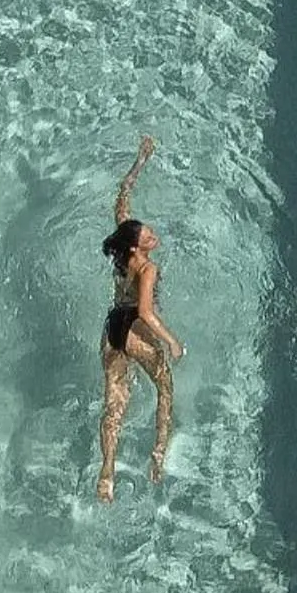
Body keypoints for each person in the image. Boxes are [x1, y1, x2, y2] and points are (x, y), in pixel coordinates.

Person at [96, 135, 185, 501]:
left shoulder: (121, 250)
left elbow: (122, 197)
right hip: (136, 330)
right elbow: (146, 312)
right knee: (164, 388)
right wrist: (171, 340)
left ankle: (106, 473)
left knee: (115, 403)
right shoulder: (147, 268)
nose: (152, 235)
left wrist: (140, 161)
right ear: (137, 245)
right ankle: (158, 456)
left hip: (111, 330)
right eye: (147, 234)